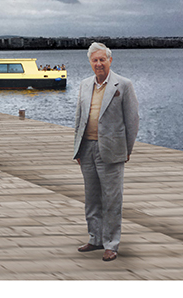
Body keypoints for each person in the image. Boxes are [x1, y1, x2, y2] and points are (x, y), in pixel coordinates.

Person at [73, 42, 139, 262]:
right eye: (95, 60)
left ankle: (111, 244)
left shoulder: (124, 85)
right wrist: (78, 149)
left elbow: (132, 120)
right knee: (91, 198)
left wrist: (126, 150)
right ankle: (95, 238)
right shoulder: (84, 85)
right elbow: (79, 119)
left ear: (110, 60)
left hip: (111, 149)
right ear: (90, 62)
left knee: (111, 199)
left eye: (102, 59)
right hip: (88, 148)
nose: (99, 64)